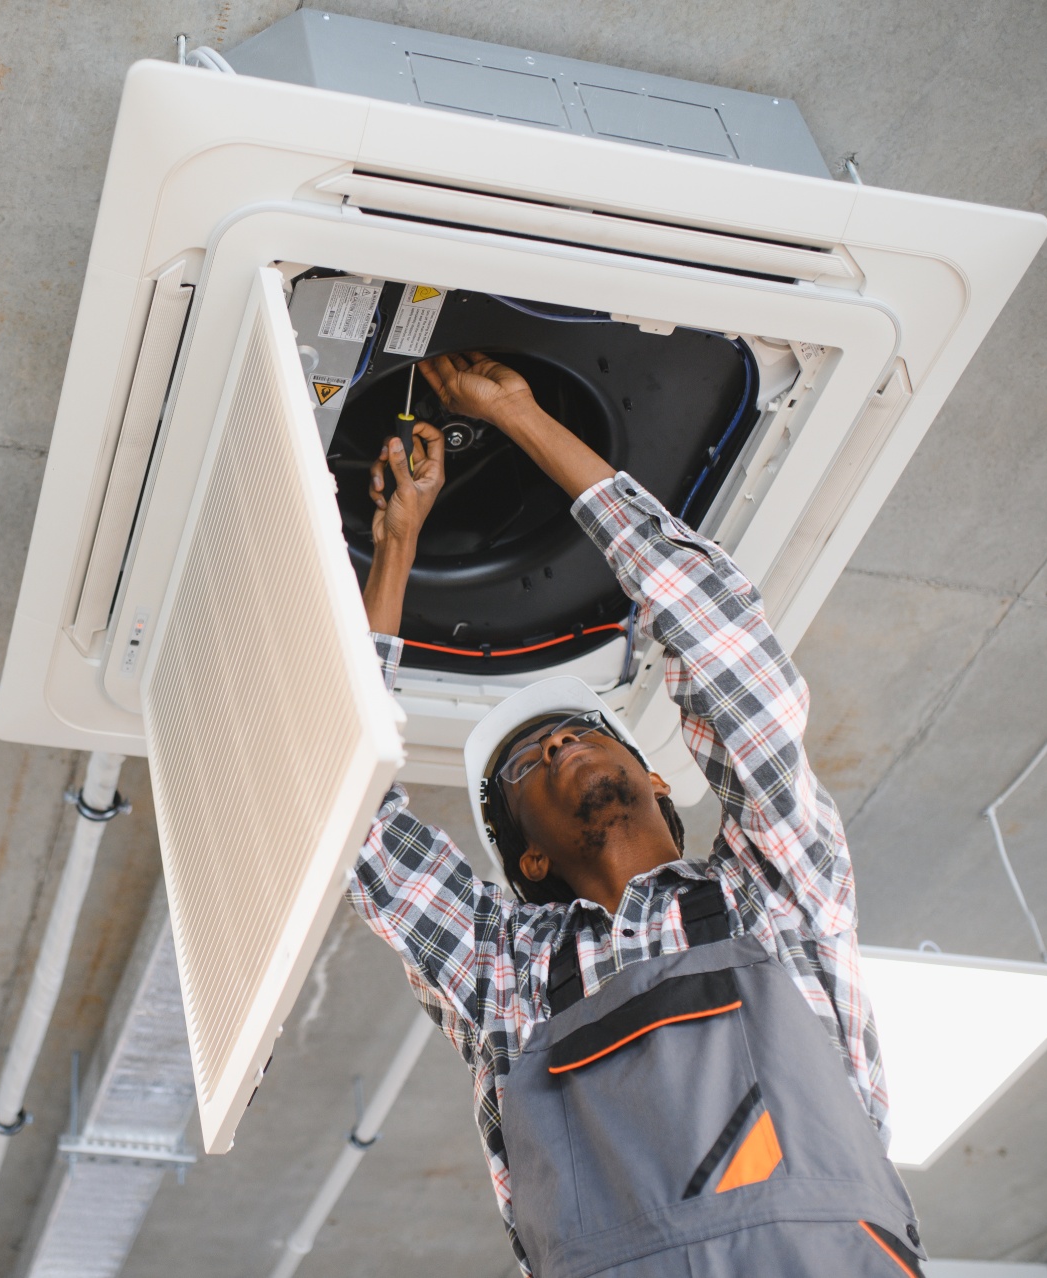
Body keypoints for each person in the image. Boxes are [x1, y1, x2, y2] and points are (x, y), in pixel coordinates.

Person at [350, 350, 925, 1276]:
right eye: (525, 767)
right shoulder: (510, 978)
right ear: (528, 861)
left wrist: (524, 418)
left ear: (661, 778)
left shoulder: (777, 892)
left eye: (578, 731)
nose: (557, 746)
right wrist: (396, 550)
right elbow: (354, 818)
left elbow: (727, 653)